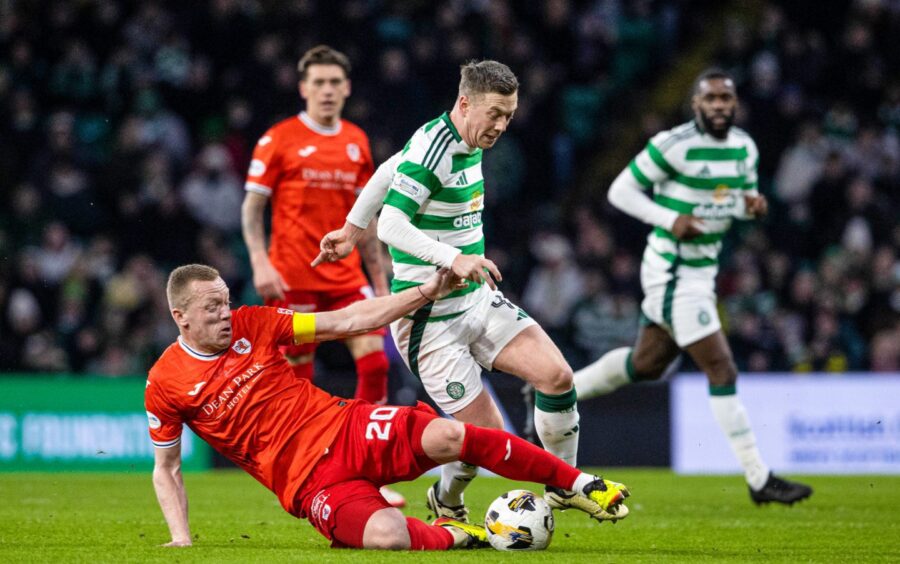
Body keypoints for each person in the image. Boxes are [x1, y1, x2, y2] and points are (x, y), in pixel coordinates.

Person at [146, 264, 630, 550]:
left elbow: (347, 319)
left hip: (345, 424)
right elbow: (166, 468)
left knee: (450, 435)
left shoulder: (255, 322)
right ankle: (457, 535)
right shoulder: (165, 384)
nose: (226, 315)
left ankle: (576, 482)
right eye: (212, 309)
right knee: (389, 537)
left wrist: (422, 293)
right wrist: (181, 537)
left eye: (226, 303)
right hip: (307, 483)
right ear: (180, 317)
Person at [312, 60, 591, 523]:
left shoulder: (466, 138)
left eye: (509, 115)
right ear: (465, 104)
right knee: (485, 437)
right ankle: (446, 500)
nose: (502, 126)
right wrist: (451, 257)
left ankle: (563, 483)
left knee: (558, 377)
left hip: (476, 299)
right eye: (495, 114)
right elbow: (395, 225)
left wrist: (349, 227)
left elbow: (389, 168)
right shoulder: (435, 147)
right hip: (429, 320)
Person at [572, 69, 813, 505]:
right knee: (722, 369)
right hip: (672, 272)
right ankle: (759, 479)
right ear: (696, 104)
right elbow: (620, 191)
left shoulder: (744, 147)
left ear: (734, 104)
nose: (719, 105)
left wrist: (750, 208)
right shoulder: (674, 144)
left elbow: (729, 200)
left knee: (644, 364)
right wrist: (670, 219)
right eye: (711, 99)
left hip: (703, 271)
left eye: (726, 98)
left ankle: (559, 390)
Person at [241, 45, 390, 405]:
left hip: (346, 280)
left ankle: (365, 449)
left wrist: (381, 285)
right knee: (297, 378)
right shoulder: (278, 139)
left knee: (376, 365)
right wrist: (260, 263)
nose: (327, 90)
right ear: (303, 88)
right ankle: (298, 456)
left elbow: (365, 218)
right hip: (294, 278)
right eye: (319, 82)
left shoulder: (356, 141)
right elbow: (251, 207)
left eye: (335, 82)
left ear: (347, 88)